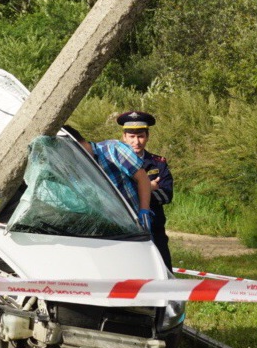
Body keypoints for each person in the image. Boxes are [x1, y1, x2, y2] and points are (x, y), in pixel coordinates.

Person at [62, 125, 153, 232]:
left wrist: (144, 211)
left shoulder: (113, 149)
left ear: (78, 144)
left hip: (135, 220)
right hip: (107, 226)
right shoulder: (74, 166)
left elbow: (143, 179)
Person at [117, 111, 174, 269]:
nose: (136, 141)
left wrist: (131, 192)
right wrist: (148, 187)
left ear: (147, 136)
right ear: (124, 137)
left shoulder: (158, 163)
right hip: (124, 228)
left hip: (155, 229)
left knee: (163, 272)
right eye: (132, 137)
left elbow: (166, 195)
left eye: (141, 136)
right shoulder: (114, 163)